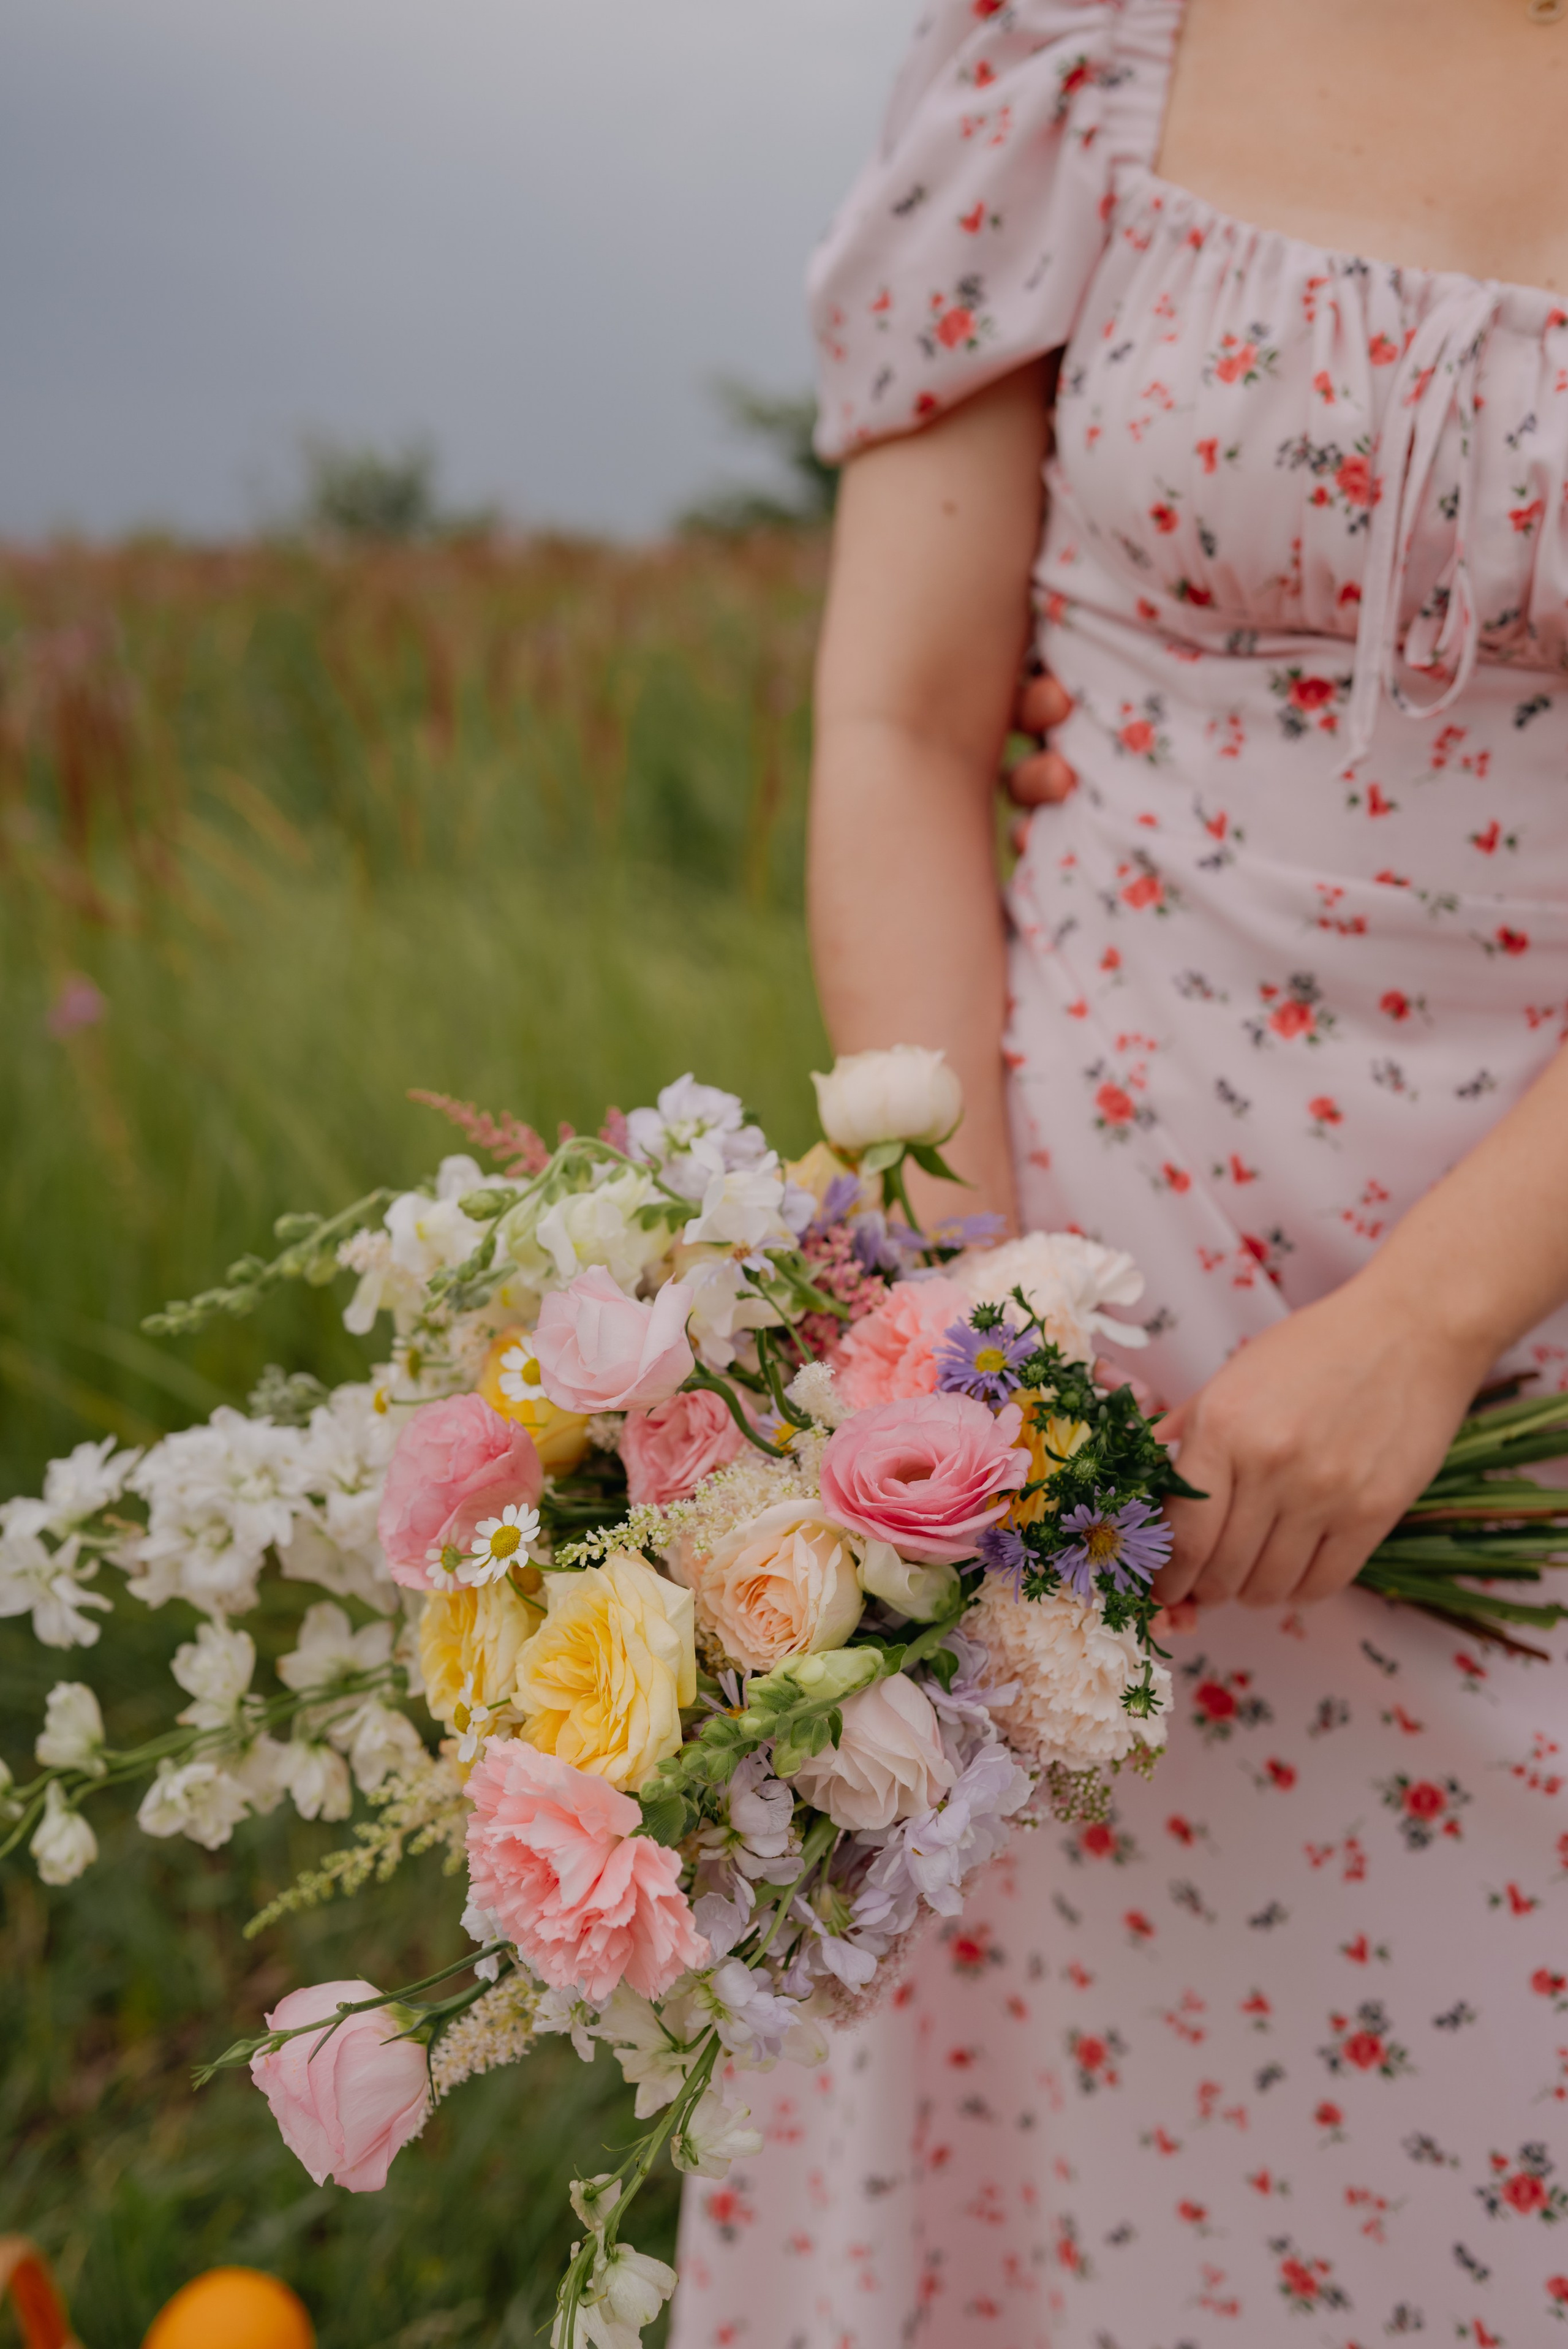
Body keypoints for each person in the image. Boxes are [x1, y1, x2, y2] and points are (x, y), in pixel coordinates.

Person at [670, 0, 1568, 2341]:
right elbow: (899, 720)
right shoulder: (1067, 63)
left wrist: (1425, 1322)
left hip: (1529, 1327)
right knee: (1096, 2127)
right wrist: (960, 1317)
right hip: (1097, 1288)